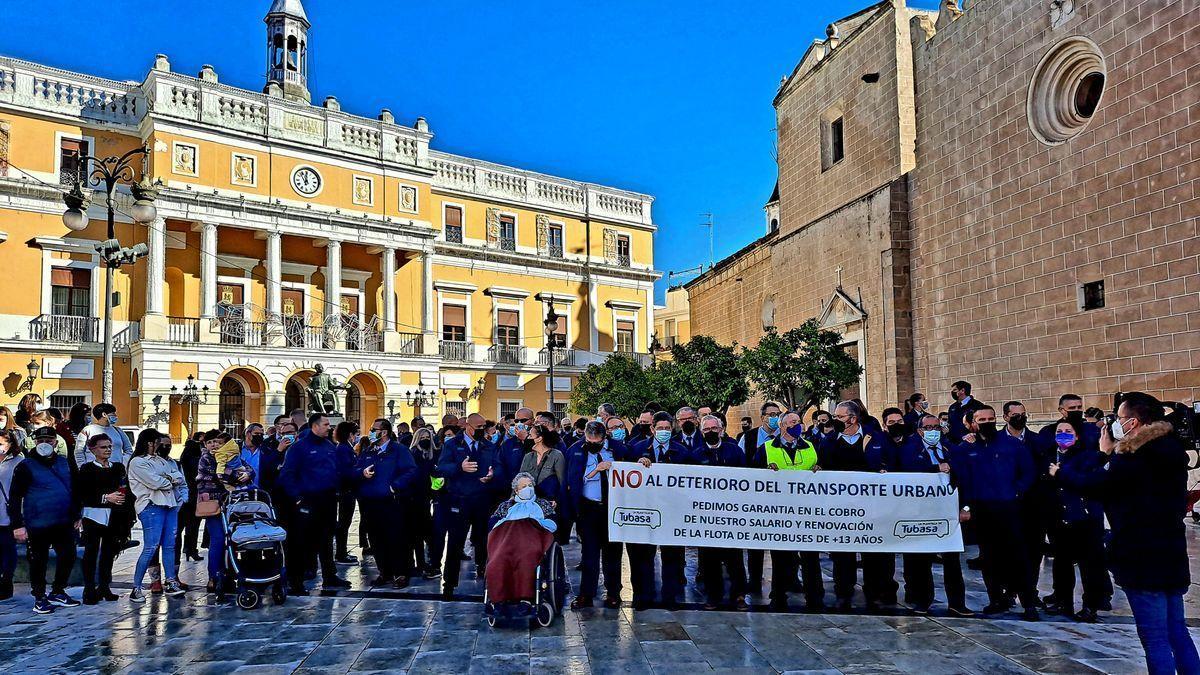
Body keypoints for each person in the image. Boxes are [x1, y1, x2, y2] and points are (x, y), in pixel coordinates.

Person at [1054, 392, 1199, 673]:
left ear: (1133, 422)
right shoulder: (1172, 451)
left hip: (1141, 555)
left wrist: (1067, 471)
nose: (1115, 424)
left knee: (1155, 638)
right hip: (1170, 551)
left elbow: (1098, 485)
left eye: (1119, 418)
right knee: (1176, 631)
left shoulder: (1135, 457)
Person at [952, 405, 1039, 620]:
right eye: (981, 419)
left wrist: (1016, 492)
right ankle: (995, 600)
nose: (987, 422)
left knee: (1018, 557)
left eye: (990, 418)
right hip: (982, 509)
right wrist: (965, 507)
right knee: (989, 558)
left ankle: (1028, 603)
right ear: (973, 422)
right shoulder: (966, 447)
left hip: (1009, 508)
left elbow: (1028, 472)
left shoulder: (1013, 445)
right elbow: (961, 478)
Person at [819, 401, 896, 611]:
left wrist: (885, 471)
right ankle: (844, 591)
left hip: (872, 505)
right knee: (843, 552)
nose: (835, 420)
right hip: (841, 507)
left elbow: (891, 461)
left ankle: (874, 591)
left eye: (840, 417)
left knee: (872, 550)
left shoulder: (876, 437)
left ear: (853, 418)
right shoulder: (829, 441)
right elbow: (824, 468)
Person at [897, 414, 970, 615]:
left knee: (952, 561)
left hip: (948, 513)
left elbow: (965, 477)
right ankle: (922, 601)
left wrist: (965, 508)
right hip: (921, 513)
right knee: (922, 561)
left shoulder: (952, 449)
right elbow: (907, 472)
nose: (933, 431)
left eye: (937, 427)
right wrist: (934, 468)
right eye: (928, 427)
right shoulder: (909, 449)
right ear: (920, 431)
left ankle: (957, 603)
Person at [754, 411, 823, 611]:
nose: (797, 425)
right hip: (779, 512)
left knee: (810, 557)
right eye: (792, 422)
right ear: (783, 426)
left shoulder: (811, 446)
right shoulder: (766, 449)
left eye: (799, 422)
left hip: (807, 512)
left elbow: (823, 470)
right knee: (781, 557)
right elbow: (753, 475)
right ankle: (779, 595)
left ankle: (815, 596)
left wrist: (820, 470)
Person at [7, 426, 81, 614]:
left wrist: (77, 515)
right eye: (41, 441)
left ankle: (58, 591)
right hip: (37, 523)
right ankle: (39, 597)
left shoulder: (65, 462)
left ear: (56, 442)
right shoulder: (26, 466)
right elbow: (15, 497)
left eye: (49, 441)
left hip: (63, 521)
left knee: (69, 555)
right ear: (35, 443)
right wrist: (17, 525)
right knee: (38, 560)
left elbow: (75, 490)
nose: (45, 444)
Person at [1042, 418, 1108, 622]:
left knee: (1090, 564)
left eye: (1068, 431)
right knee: (1062, 563)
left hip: (1084, 517)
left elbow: (1085, 481)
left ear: (1077, 435)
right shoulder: (1049, 456)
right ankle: (1063, 601)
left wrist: (1060, 473)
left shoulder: (1087, 456)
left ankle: (1091, 605)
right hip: (1059, 518)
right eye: (1059, 431)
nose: (1063, 434)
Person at [279, 413, 351, 594]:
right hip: (307, 499)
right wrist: (297, 498)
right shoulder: (299, 448)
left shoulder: (329, 446)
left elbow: (338, 470)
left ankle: (330, 576)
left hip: (327, 498)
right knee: (301, 541)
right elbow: (287, 475)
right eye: (326, 424)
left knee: (326, 538)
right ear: (315, 426)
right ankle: (296, 580)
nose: (329, 427)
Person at [630, 411, 695, 609]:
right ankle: (643, 596)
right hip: (646, 510)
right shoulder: (637, 449)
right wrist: (637, 465)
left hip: (672, 512)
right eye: (660, 428)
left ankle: (670, 596)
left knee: (672, 556)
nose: (664, 432)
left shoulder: (682, 451)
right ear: (652, 429)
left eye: (668, 428)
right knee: (643, 556)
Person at [437, 412, 500, 598]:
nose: (482, 430)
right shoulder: (452, 444)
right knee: (456, 542)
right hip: (460, 499)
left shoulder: (489, 446)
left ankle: (484, 572)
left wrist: (492, 475)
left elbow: (497, 465)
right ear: (468, 427)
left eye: (483, 427)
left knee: (483, 540)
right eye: (478, 427)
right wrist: (459, 468)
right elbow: (441, 467)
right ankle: (449, 582)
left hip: (481, 499)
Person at [564, 421, 624, 609]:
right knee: (589, 553)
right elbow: (572, 479)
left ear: (604, 438)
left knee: (612, 553)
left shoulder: (618, 449)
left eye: (596, 442)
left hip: (612, 507)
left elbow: (633, 469)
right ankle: (586, 594)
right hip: (588, 508)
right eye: (588, 440)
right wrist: (596, 470)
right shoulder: (576, 450)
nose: (592, 444)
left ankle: (613, 592)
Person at [693, 414, 750, 611]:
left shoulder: (734, 451)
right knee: (709, 558)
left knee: (735, 558)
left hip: (731, 515)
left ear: (722, 429)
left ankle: (739, 595)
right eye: (706, 430)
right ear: (702, 432)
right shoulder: (696, 454)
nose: (710, 432)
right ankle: (713, 595)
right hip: (706, 516)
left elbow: (745, 479)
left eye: (714, 429)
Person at [1001, 400, 1056, 603]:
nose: (1020, 418)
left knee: (1034, 549)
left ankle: (1029, 591)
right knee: (1008, 549)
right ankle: (1009, 590)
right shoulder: (997, 440)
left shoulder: (1038, 441)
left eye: (1023, 414)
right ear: (1006, 417)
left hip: (1034, 503)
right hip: (1007, 503)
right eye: (1015, 415)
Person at [355, 418, 418, 588]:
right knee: (376, 539)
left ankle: (401, 573)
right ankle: (384, 572)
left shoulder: (398, 450)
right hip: (370, 502)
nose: (371, 431)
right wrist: (362, 473)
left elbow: (411, 471)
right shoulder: (369, 450)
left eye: (374, 429)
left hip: (392, 502)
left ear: (384, 432)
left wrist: (394, 486)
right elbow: (357, 468)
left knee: (396, 538)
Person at [126, 430, 186, 602]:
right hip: (151, 506)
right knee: (151, 547)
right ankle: (136, 587)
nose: (162, 446)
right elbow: (155, 482)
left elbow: (178, 477)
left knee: (169, 545)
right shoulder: (138, 462)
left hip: (169, 504)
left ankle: (171, 580)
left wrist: (167, 479)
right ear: (149, 442)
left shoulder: (162, 461)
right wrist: (168, 479)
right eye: (158, 442)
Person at [75, 433, 128, 604]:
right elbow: (84, 493)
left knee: (108, 553)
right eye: (103, 447)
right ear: (93, 449)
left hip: (114, 516)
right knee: (91, 552)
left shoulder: (118, 467)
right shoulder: (87, 469)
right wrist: (105, 497)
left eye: (109, 447)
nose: (107, 450)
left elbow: (123, 487)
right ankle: (89, 588)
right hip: (94, 516)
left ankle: (104, 586)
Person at [409, 427, 441, 579]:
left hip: (427, 497)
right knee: (418, 532)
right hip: (415, 498)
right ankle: (421, 563)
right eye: (421, 437)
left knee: (427, 532)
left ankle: (428, 563)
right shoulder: (413, 454)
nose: (425, 439)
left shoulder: (434, 454)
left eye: (427, 436)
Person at [0, 429, 24, 601]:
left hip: (8, 513)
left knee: (7, 549)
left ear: (10, 445)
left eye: (1, 444)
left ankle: (6, 582)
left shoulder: (19, 462)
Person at [333, 421, 360, 565]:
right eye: (355, 434)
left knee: (344, 522)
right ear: (350, 435)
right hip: (346, 490)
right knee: (344, 522)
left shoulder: (344, 448)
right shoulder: (344, 449)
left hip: (346, 489)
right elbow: (346, 470)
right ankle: (341, 553)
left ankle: (342, 551)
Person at [519, 425, 566, 507]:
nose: (528, 438)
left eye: (530, 435)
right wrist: (513, 497)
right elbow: (520, 479)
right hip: (529, 502)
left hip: (550, 502)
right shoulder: (528, 456)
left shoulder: (556, 455)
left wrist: (558, 500)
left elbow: (562, 482)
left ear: (539, 438)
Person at [74, 403, 131, 469]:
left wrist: (123, 463)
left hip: (116, 472)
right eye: (113, 414)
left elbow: (128, 450)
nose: (115, 416)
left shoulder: (118, 430)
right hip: (94, 472)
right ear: (104, 414)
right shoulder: (87, 430)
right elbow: (79, 452)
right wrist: (82, 468)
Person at [176, 433, 203, 563]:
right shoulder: (197, 461)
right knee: (193, 527)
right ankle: (191, 549)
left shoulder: (182, 461)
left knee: (180, 527)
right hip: (194, 498)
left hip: (183, 499)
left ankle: (186, 549)